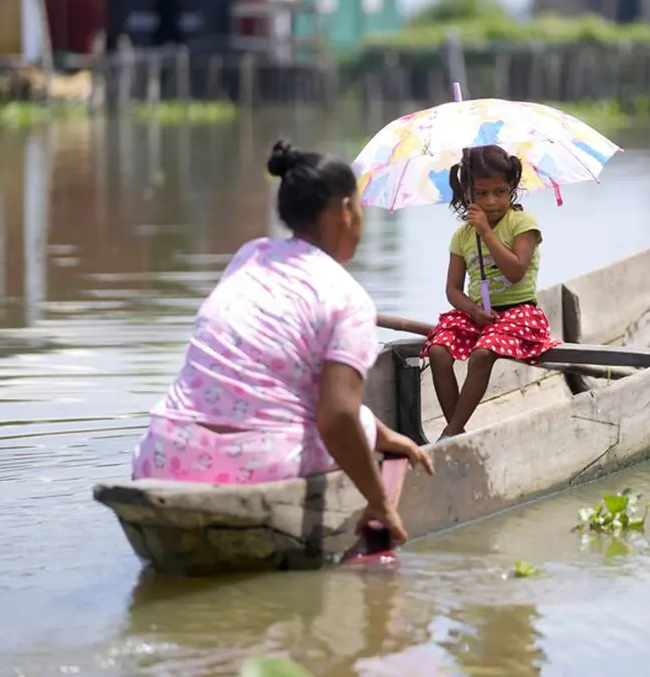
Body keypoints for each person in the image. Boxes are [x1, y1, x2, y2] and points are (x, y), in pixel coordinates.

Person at [131, 139, 433, 545]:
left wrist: (386, 436)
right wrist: (380, 502)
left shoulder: (249, 256)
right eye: (360, 206)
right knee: (350, 421)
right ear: (345, 211)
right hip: (254, 466)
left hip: (163, 454)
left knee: (348, 417)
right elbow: (338, 418)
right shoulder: (349, 300)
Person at [421, 145, 560, 440]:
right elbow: (453, 289)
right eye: (481, 194)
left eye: (500, 191)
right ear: (467, 194)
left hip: (520, 313)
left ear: (511, 189)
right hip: (479, 315)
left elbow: (516, 271)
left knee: (483, 354)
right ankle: (457, 431)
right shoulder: (462, 236)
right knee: (437, 350)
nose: (492, 201)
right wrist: (473, 311)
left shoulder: (522, 224)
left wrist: (487, 232)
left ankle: (450, 432)